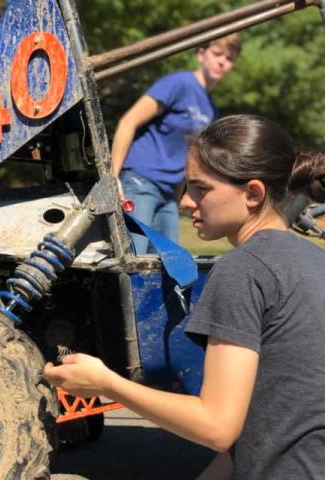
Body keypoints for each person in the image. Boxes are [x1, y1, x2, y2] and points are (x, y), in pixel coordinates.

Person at [45, 114, 325, 479]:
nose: (185, 202)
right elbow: (258, 432)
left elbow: (216, 426)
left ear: (253, 193)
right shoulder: (314, 260)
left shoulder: (243, 270)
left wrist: (107, 384)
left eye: (200, 189)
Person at [111, 34, 241, 253]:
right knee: (132, 255)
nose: (222, 62)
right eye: (217, 54)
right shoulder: (179, 84)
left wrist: (185, 195)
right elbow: (128, 121)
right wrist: (112, 177)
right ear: (201, 54)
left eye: (229, 58)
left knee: (169, 261)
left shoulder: (211, 108)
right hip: (140, 181)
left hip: (169, 195)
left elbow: (189, 159)